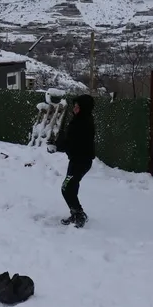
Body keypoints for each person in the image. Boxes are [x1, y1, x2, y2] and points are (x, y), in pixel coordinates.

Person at [49, 94, 96, 228]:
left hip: (81, 161)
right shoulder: (79, 120)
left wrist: (57, 147)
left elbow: (73, 143)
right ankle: (75, 213)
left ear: (84, 108)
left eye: (77, 107)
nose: (74, 109)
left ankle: (79, 214)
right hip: (77, 160)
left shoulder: (83, 123)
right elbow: (69, 139)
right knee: (71, 187)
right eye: (74, 106)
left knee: (66, 188)